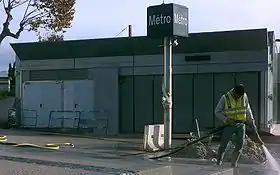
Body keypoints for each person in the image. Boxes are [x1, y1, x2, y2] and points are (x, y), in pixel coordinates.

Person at [215, 84, 264, 167]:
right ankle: (218, 162)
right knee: (223, 144)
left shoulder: (244, 97)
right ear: (234, 92)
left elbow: (248, 111)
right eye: (238, 95)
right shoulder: (225, 98)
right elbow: (217, 111)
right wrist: (226, 120)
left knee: (240, 145)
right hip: (229, 125)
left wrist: (252, 123)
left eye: (240, 96)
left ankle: (233, 164)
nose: (239, 97)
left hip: (241, 125)